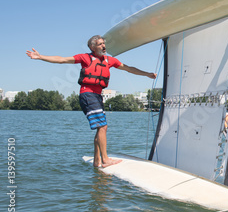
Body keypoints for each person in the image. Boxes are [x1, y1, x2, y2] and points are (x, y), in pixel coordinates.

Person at [26, 35, 157, 168]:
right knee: (102, 126)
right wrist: (41, 56)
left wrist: (147, 74)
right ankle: (105, 160)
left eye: (104, 44)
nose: (103, 46)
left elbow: (129, 68)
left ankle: (97, 160)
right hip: (87, 94)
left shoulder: (109, 60)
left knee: (101, 128)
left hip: (97, 96)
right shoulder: (85, 58)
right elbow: (62, 60)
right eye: (100, 44)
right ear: (92, 47)